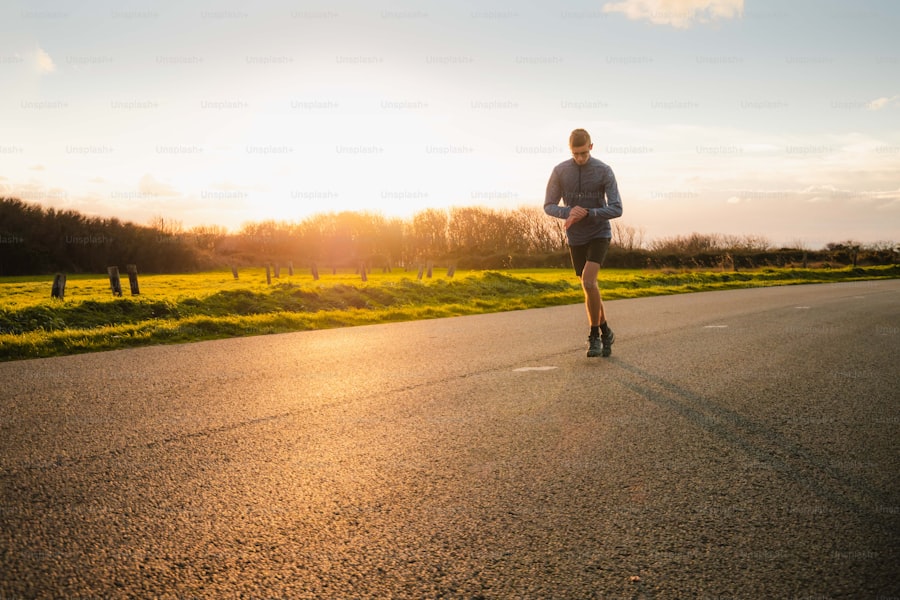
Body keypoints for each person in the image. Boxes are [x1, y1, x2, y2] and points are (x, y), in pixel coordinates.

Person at [544, 128, 623, 357]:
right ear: (570, 150)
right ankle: (606, 330)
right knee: (589, 286)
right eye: (575, 154)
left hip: (599, 233)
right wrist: (569, 211)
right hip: (575, 237)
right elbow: (549, 205)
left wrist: (589, 213)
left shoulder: (604, 171)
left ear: (591, 147)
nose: (580, 158)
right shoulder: (560, 171)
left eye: (583, 153)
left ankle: (594, 336)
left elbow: (617, 208)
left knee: (589, 281)